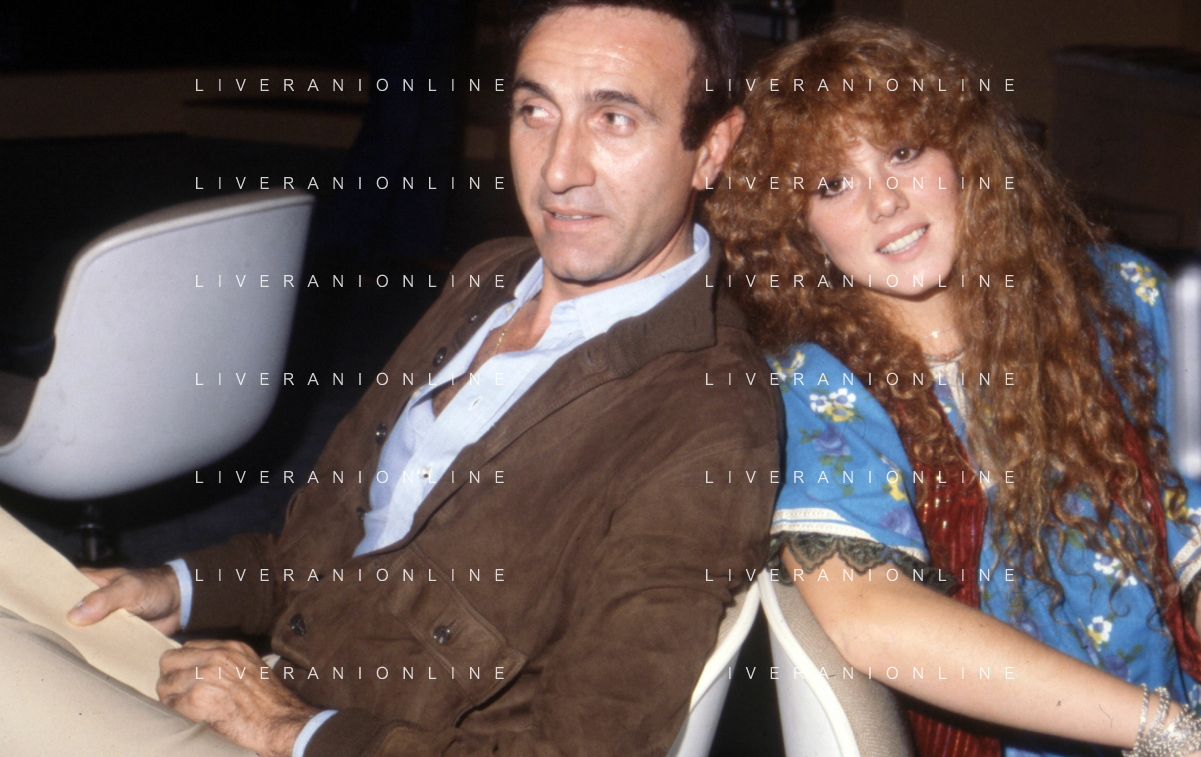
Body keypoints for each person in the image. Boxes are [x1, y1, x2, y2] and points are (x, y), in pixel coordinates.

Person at [16, 2, 781, 756]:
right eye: (535, 111)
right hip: (274, 688)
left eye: (614, 119)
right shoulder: (491, 274)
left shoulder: (710, 421)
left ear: (712, 148)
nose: (558, 171)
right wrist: (175, 586)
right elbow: (332, 549)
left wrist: (288, 728)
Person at [706, 18, 1201, 757]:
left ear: (965, 154)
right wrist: (1167, 732)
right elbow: (869, 612)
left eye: (903, 152)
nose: (884, 201)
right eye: (832, 184)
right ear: (798, 227)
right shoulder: (815, 387)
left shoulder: (1123, 295)